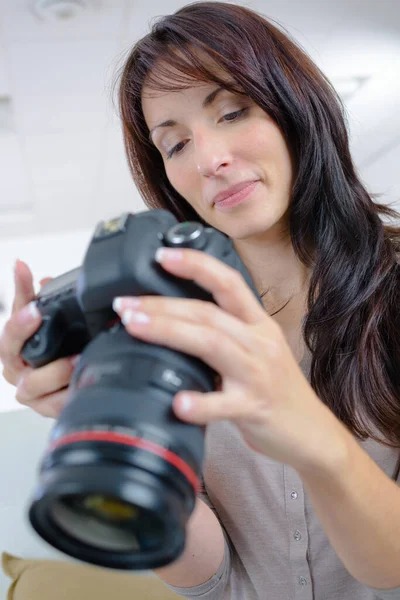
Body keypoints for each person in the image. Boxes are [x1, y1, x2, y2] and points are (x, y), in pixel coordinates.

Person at [1, 2, 400, 599]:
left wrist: (311, 434)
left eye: (234, 111)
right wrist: (112, 432)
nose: (210, 159)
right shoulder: (170, 325)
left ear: (296, 107)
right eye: (175, 144)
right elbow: (210, 576)